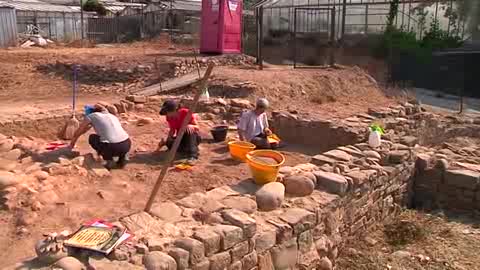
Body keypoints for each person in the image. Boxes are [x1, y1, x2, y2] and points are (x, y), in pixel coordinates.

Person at [69, 104, 131, 170]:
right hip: (127, 144)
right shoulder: (111, 116)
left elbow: (79, 131)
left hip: (112, 147)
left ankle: (108, 159)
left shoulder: (91, 116)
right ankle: (122, 160)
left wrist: (72, 143)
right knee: (113, 138)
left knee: (92, 138)